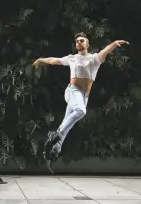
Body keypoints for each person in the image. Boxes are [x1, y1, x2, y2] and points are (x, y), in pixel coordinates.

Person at [32, 32, 129, 173]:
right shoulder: (72, 58)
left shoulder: (94, 59)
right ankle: (55, 134)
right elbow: (55, 60)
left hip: (84, 96)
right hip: (72, 91)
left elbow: (105, 51)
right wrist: (41, 59)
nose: (78, 42)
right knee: (81, 111)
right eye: (77, 41)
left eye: (81, 40)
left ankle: (51, 154)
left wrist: (114, 43)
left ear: (87, 44)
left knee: (68, 124)